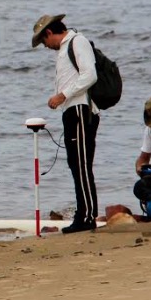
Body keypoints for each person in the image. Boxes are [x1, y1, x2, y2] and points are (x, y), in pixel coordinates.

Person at [32, 13, 100, 233]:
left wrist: (62, 95)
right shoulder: (64, 49)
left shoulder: (77, 41)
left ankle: (88, 216)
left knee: (81, 164)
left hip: (81, 110)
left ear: (49, 32)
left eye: (44, 41)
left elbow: (90, 75)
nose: (45, 46)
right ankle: (83, 214)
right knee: (75, 163)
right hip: (72, 111)